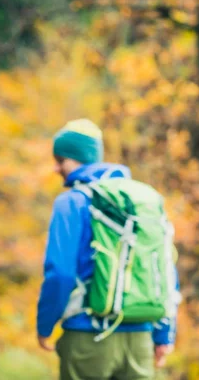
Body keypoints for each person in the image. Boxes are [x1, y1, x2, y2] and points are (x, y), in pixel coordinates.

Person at [36, 118, 179, 380]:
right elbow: (164, 268)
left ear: (78, 159)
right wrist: (164, 334)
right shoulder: (145, 198)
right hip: (140, 339)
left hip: (87, 338)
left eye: (61, 159)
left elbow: (60, 273)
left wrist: (45, 325)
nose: (56, 167)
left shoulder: (72, 202)